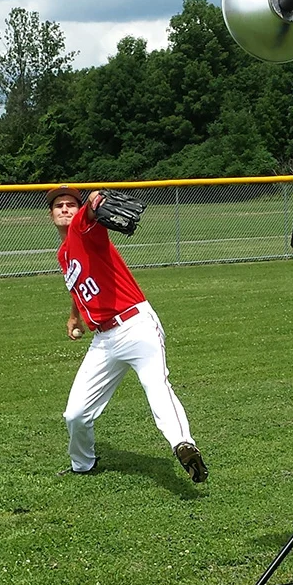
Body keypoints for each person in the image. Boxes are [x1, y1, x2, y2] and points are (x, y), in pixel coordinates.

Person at [47, 185, 207, 483]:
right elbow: (78, 284)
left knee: (157, 387)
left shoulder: (83, 228)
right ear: (51, 215)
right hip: (103, 341)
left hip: (136, 326)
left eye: (71, 204)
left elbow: (93, 205)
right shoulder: (63, 254)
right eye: (59, 206)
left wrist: (95, 199)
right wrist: (74, 317)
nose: (66, 209)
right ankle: (83, 464)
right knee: (75, 414)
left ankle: (183, 444)